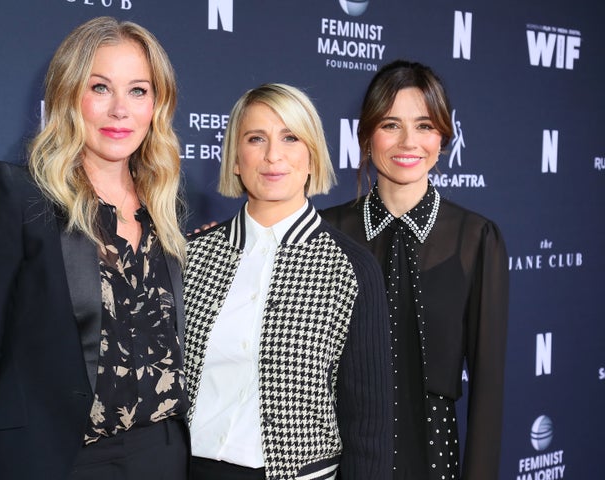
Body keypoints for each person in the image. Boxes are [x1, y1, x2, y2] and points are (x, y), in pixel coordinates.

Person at [0, 17, 189, 480]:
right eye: (100, 87)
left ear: (158, 105)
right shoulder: (19, 195)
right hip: (60, 459)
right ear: (68, 94)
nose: (121, 110)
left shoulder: (165, 205)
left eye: (138, 91)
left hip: (162, 454)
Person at [184, 83, 393, 480]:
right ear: (234, 159)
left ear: (312, 156)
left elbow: (369, 423)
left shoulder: (350, 268)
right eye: (255, 138)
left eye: (290, 138)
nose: (272, 156)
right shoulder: (191, 256)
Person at [321, 60, 509, 480]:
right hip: (340, 458)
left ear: (443, 137)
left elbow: (488, 391)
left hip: (433, 458)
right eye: (391, 124)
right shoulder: (326, 231)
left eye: (424, 126)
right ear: (366, 135)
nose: (409, 142)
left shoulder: (476, 239)